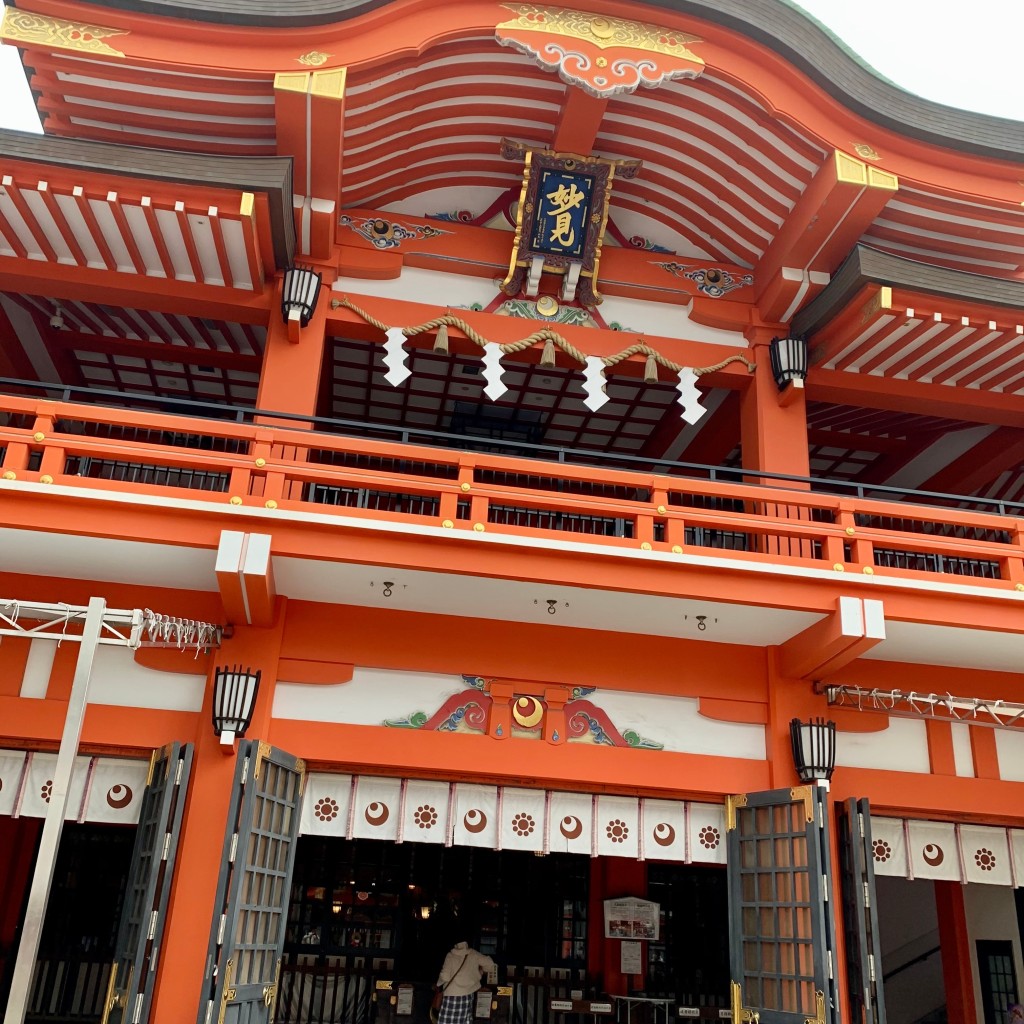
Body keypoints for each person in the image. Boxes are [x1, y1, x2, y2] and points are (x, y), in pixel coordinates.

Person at [435, 940, 496, 1024]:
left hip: (451, 996)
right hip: (468, 996)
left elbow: (444, 976)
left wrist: (438, 983)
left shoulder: (450, 955)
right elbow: (490, 964)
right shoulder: (474, 954)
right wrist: (479, 972)